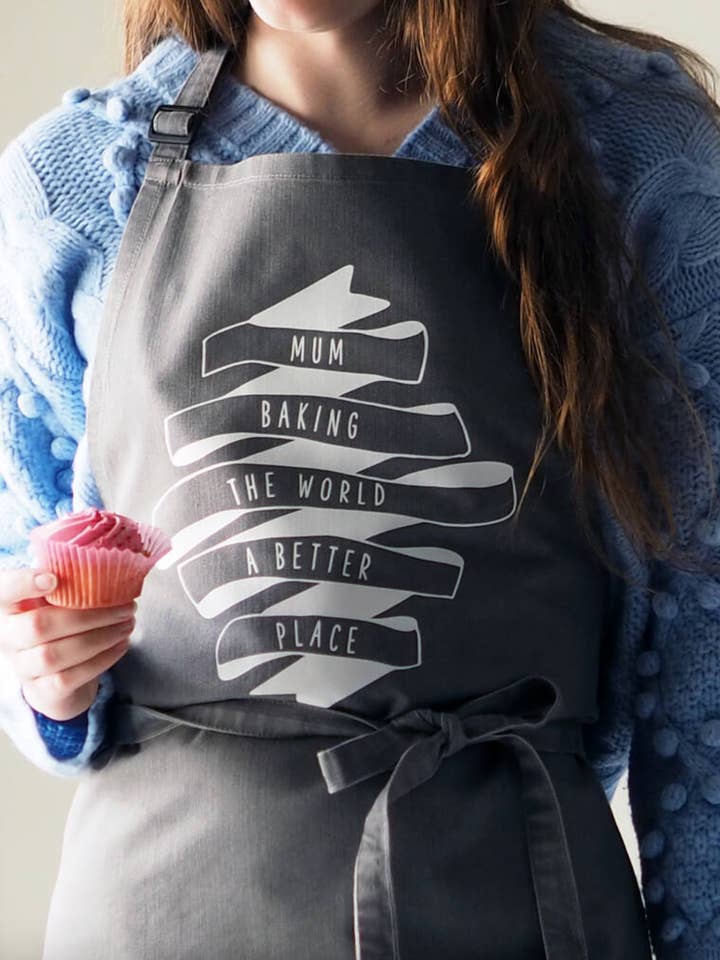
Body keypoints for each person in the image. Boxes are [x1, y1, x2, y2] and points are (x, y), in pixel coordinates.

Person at [0, 0, 718, 957]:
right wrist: (43, 678)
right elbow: (25, 573)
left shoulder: (636, 149)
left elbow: (704, 640)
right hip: (157, 912)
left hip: (516, 909)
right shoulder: (73, 182)